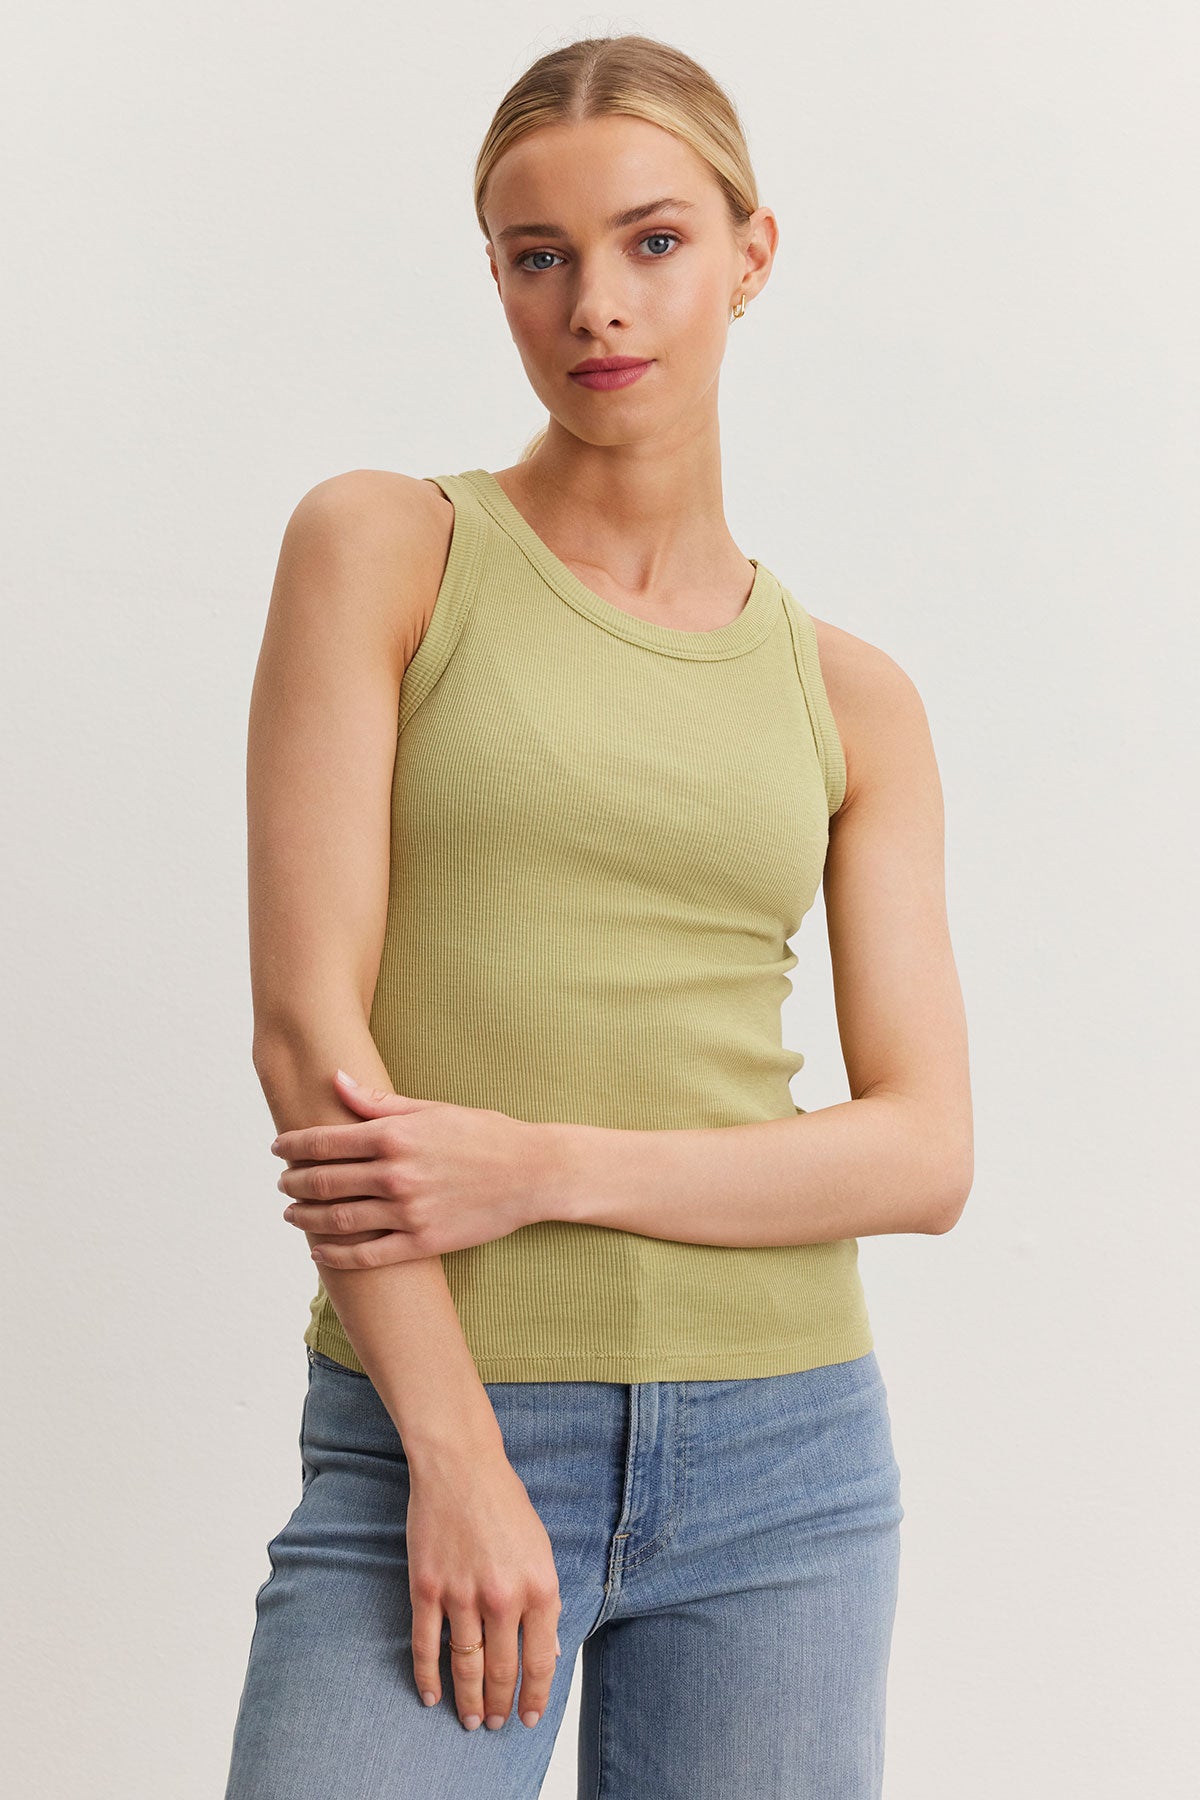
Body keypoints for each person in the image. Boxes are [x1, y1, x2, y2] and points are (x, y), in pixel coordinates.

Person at [224, 31, 972, 1800]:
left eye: (654, 244)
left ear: (751, 254)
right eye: (537, 256)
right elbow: (306, 1032)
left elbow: (925, 1154)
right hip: (442, 1421)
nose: (597, 307)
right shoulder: (388, 550)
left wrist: (541, 1165)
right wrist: (459, 1455)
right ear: (493, 270)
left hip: (791, 1459)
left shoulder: (851, 697)